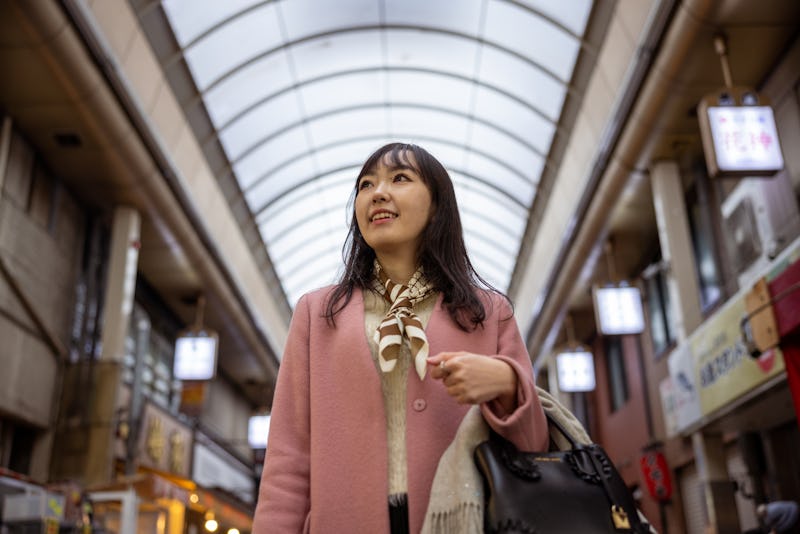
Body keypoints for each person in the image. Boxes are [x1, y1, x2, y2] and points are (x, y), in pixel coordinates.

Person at [252, 142, 549, 533]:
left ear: (437, 204)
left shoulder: (488, 313)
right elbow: (288, 459)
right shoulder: (318, 313)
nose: (377, 192)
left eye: (400, 178)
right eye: (365, 185)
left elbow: (534, 448)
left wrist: (509, 385)